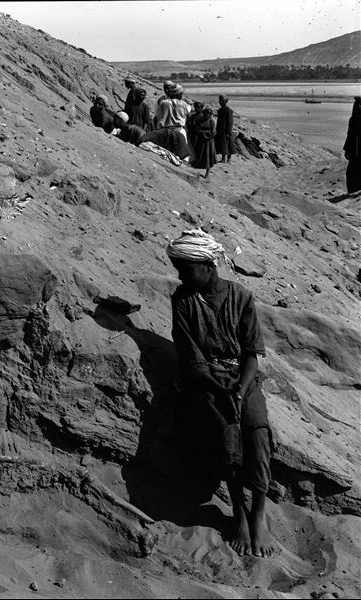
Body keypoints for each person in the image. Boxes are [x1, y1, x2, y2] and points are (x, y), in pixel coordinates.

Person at [166, 229, 276, 558]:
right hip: (208, 381)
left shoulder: (241, 296)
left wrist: (240, 389)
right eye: (179, 270)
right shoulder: (183, 300)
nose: (181, 276)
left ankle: (259, 513)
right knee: (228, 433)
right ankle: (239, 512)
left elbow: (251, 354)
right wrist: (219, 388)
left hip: (243, 379)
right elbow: (191, 359)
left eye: (187, 270)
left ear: (208, 266)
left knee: (258, 432)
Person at [191, 105, 218, 178]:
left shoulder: (211, 121)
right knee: (201, 155)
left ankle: (207, 173)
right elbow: (196, 128)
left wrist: (203, 133)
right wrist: (200, 132)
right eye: (206, 113)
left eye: (209, 114)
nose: (207, 115)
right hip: (201, 141)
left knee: (208, 156)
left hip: (209, 142)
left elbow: (213, 132)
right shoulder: (201, 121)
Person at [343, 96, 361, 194]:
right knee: (352, 171)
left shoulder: (354, 119)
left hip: (356, 148)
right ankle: (353, 190)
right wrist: (347, 149)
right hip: (354, 149)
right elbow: (350, 135)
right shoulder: (353, 119)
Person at [216, 95, 235, 163]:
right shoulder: (220, 110)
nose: (220, 102)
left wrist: (229, 131)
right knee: (223, 145)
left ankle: (229, 159)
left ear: (225, 101)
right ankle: (223, 158)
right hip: (221, 130)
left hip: (226, 130)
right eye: (220, 100)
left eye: (222, 100)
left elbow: (230, 122)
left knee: (228, 144)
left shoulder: (228, 110)